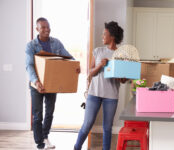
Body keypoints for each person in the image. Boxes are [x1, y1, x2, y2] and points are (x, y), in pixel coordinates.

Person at [25, 17, 80, 150]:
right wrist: (37, 82)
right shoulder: (31, 45)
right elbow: (29, 66)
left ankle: (45, 136)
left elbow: (67, 57)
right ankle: (40, 143)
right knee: (38, 115)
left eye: (48, 26)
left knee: (49, 112)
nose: (46, 29)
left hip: (52, 83)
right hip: (36, 85)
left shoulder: (56, 43)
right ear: (37, 29)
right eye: (43, 27)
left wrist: (74, 66)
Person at [74, 21, 126, 150]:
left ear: (112, 37)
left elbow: (123, 80)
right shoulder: (98, 51)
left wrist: (116, 72)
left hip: (111, 96)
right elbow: (90, 73)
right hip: (94, 94)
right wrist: (100, 65)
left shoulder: (121, 55)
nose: (102, 36)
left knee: (107, 128)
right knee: (87, 125)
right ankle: (76, 147)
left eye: (105, 34)